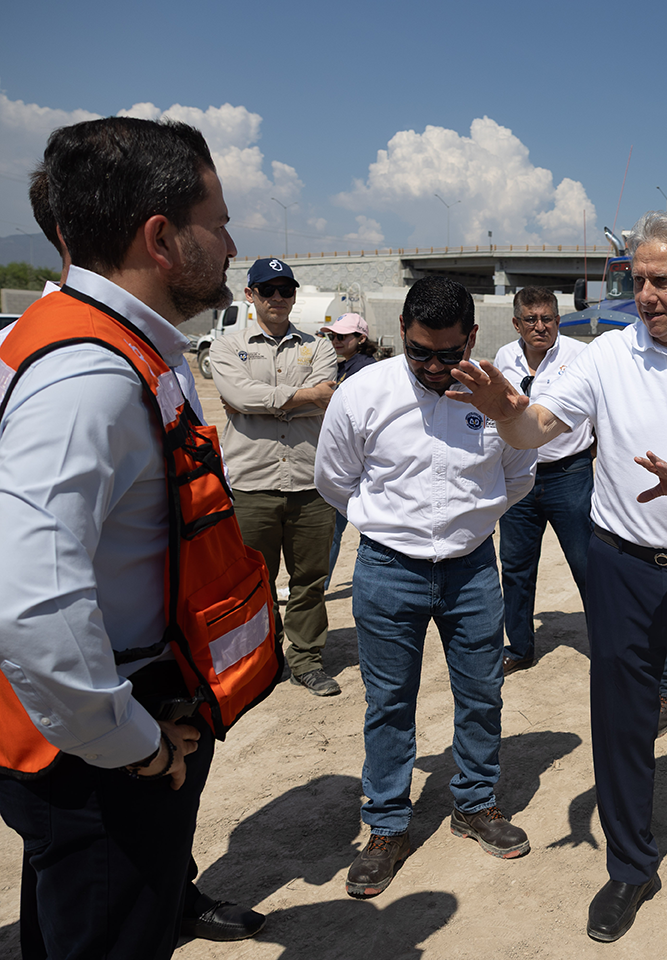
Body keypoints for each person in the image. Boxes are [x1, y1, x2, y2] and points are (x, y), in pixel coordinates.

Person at [451, 210, 667, 942]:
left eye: (662, 280)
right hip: (622, 570)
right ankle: (631, 867)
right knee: (622, 725)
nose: (645, 294)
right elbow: (536, 429)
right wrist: (504, 411)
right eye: (637, 279)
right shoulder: (606, 356)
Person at [0, 116, 272, 959]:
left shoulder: (108, 342)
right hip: (99, 748)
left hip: (110, 714)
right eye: (218, 223)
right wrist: (135, 746)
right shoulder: (89, 376)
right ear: (161, 238)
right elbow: (31, 605)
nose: (232, 245)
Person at [315, 276, 538, 899]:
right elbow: (334, 480)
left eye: (448, 354)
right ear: (401, 336)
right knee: (389, 702)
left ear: (473, 337)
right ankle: (387, 825)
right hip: (388, 571)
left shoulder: (497, 398)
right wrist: (395, 526)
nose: (435, 368)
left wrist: (468, 524)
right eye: (419, 353)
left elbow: (519, 473)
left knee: (482, 691)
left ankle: (475, 803)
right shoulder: (363, 394)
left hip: (472, 571)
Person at [210, 258, 341, 696]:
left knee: (310, 580)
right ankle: (263, 659)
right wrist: (304, 398)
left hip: (309, 483)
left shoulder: (319, 347)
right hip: (252, 484)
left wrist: (259, 403)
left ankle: (306, 659)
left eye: (286, 290)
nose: (278, 298)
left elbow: (325, 396)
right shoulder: (227, 347)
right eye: (268, 290)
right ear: (251, 295)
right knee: (253, 581)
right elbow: (238, 394)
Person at [492, 286, 594, 673]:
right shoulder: (504, 358)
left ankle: (607, 646)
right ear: (516, 323)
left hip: (570, 476)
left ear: (558, 320)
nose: (540, 327)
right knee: (515, 567)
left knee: (588, 565)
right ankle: (519, 648)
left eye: (547, 319)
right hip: (519, 478)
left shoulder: (580, 356)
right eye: (531, 319)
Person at [318, 312, 378, 586]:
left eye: (343, 336)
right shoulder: (345, 366)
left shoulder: (364, 369)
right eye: (333, 336)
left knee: (334, 529)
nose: (336, 340)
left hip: (356, 461)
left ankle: (321, 584)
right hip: (351, 458)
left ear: (361, 338)